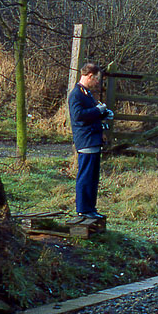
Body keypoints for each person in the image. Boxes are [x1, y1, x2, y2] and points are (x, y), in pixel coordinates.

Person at [68, 62, 113, 220]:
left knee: (93, 177)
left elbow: (89, 114)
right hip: (86, 140)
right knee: (85, 176)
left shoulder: (86, 93)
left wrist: (103, 114)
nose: (97, 83)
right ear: (89, 76)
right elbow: (78, 115)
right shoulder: (76, 94)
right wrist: (97, 110)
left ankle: (90, 208)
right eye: (96, 80)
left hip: (93, 140)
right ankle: (82, 209)